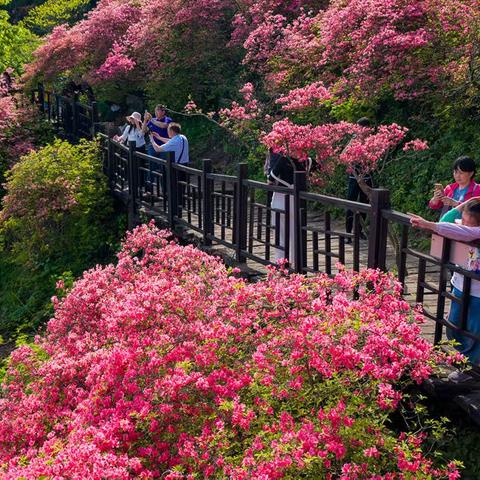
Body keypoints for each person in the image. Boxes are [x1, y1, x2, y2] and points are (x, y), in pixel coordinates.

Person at [410, 203, 480, 371]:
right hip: (460, 285)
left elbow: (467, 232)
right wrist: (465, 203)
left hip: (478, 293)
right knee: (453, 326)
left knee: (475, 332)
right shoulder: (463, 228)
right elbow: (446, 221)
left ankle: (470, 367)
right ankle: (463, 359)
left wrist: (429, 224)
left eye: (468, 222)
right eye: (462, 220)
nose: (462, 224)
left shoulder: (474, 232)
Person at [267, 150, 310, 267]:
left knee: (281, 231)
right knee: (295, 230)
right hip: (298, 199)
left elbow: (271, 178)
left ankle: (282, 261)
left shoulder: (282, 159)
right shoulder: (305, 160)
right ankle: (296, 260)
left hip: (281, 197)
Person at [345, 117, 373, 240]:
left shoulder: (372, 141)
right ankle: (348, 233)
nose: (358, 130)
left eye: (360, 128)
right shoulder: (354, 140)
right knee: (351, 203)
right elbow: (343, 154)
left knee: (364, 203)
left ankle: (359, 230)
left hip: (367, 176)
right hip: (354, 176)